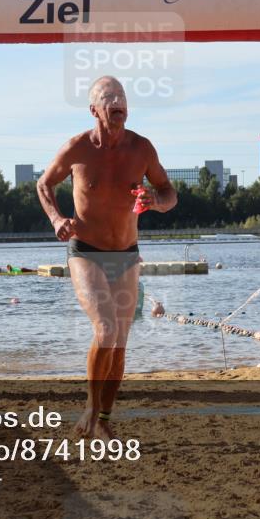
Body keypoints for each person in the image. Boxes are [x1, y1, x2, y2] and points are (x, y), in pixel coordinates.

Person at [37, 76, 177, 440]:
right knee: (106, 329)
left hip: (127, 255)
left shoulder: (141, 148)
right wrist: (56, 219)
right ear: (94, 110)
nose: (117, 101)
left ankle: (104, 419)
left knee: (119, 343)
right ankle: (90, 406)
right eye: (108, 97)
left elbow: (168, 190)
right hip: (86, 252)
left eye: (122, 97)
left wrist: (157, 202)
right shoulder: (77, 148)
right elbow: (44, 184)